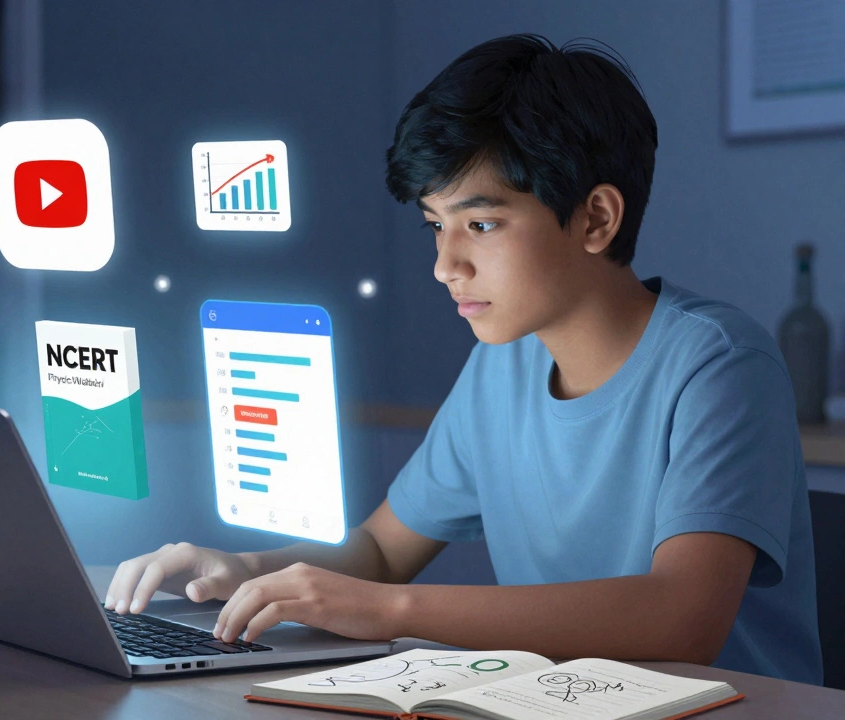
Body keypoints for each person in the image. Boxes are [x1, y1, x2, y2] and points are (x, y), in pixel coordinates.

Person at [105, 34, 823, 685]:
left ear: (596, 219)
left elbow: (680, 620)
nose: (447, 264)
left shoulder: (720, 366)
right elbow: (381, 553)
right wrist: (242, 571)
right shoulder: (501, 367)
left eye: (481, 224)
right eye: (435, 226)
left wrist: (392, 611)